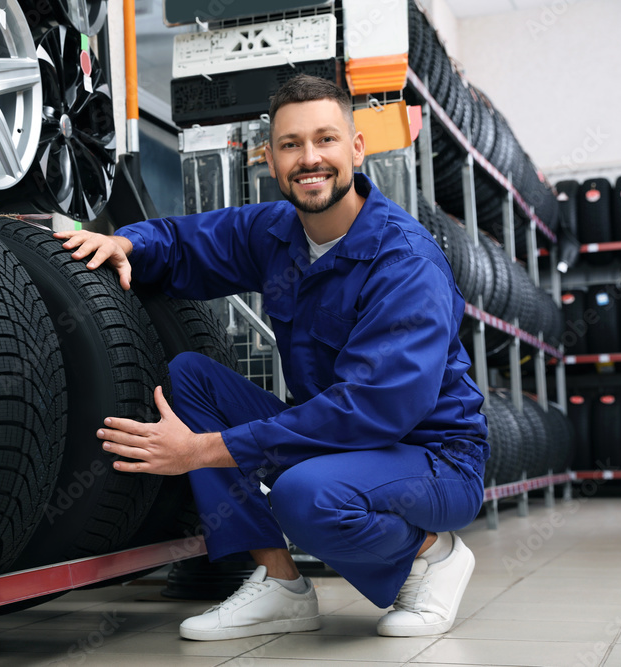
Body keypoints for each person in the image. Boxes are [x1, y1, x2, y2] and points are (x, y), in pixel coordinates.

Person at [53, 74, 488, 641]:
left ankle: (432, 554)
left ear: (356, 149)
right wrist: (124, 243)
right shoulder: (279, 233)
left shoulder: (404, 262)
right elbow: (189, 242)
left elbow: (374, 410)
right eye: (291, 144)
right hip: (338, 445)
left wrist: (201, 451)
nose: (310, 158)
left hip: (432, 458)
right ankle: (278, 581)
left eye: (326, 140)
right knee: (192, 379)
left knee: (305, 496)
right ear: (270, 158)